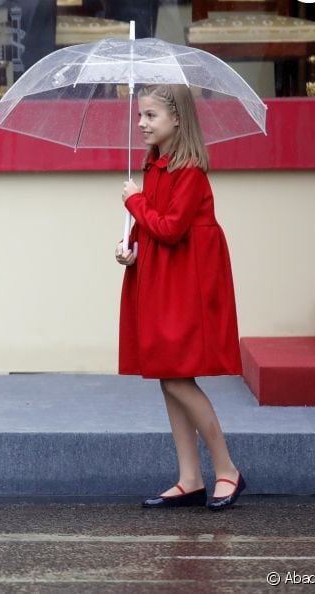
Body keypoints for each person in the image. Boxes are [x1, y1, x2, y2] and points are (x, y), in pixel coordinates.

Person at [116, 83, 245, 511]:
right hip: (160, 276)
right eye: (140, 115)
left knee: (176, 376)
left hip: (185, 281)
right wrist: (129, 248)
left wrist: (134, 202)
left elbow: (170, 229)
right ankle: (189, 477)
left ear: (177, 118)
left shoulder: (189, 171)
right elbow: (151, 227)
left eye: (150, 116)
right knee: (166, 376)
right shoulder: (155, 166)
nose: (141, 123)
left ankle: (226, 469)